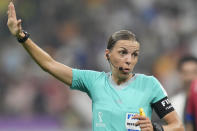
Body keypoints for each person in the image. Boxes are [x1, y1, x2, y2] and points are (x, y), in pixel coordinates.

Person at [7, 2, 184, 131]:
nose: (129, 59)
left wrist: (156, 129)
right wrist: (22, 37)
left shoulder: (150, 85)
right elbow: (49, 64)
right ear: (108, 54)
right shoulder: (94, 81)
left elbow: (177, 126)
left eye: (134, 54)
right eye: (123, 53)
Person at [170, 56, 197, 123]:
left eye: (194, 72)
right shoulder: (173, 103)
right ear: (179, 74)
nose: (190, 78)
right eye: (186, 73)